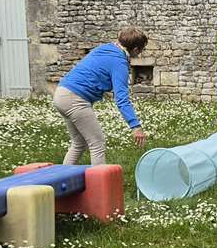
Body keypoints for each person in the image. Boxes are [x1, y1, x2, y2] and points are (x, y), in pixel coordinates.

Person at [54, 27, 149, 165]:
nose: (141, 53)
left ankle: (63, 176)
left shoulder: (106, 48)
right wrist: (135, 126)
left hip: (61, 93)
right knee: (97, 144)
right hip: (75, 99)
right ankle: (99, 179)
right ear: (135, 49)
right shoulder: (119, 62)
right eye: (142, 49)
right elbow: (121, 98)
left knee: (79, 143)